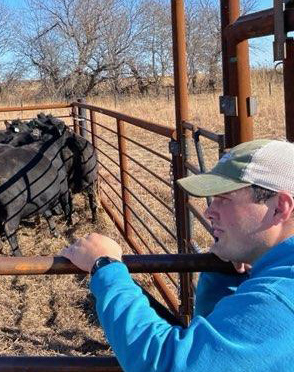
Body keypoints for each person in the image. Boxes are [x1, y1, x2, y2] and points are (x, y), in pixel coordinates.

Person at [59, 138, 294, 372]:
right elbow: (217, 351)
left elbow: (167, 364)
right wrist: (222, 276)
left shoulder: (279, 298)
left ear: (280, 207)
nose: (209, 211)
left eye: (224, 198)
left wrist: (105, 266)